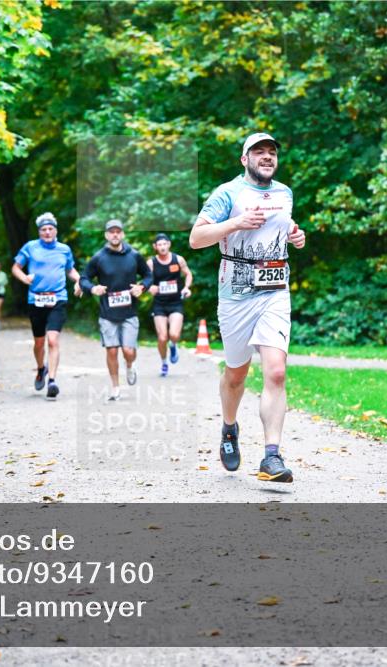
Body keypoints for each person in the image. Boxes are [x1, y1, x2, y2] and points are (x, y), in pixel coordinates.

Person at [188, 132, 307, 483]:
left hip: (275, 291)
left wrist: (295, 235)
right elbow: (196, 238)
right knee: (236, 373)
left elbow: (282, 227)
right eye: (259, 152)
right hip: (236, 296)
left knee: (276, 372)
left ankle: (272, 457)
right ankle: (229, 428)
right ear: (245, 160)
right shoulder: (228, 193)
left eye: (272, 152)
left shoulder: (284, 193)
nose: (267, 156)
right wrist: (236, 223)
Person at [80, 219, 153, 401]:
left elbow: (148, 275)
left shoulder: (134, 255)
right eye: (111, 232)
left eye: (118, 231)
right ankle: (115, 387)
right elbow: (83, 278)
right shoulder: (98, 258)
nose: (115, 234)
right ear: (106, 235)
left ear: (122, 234)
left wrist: (142, 287)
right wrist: (93, 288)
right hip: (107, 313)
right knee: (112, 351)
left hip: (129, 312)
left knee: (128, 351)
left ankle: (130, 364)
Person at [12, 212, 82, 400]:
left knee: (52, 340)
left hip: (58, 299)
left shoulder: (64, 249)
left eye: (51, 229)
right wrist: (24, 278)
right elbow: (16, 268)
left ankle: (52, 381)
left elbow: (70, 269)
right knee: (39, 342)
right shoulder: (31, 247)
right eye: (44, 229)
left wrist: (79, 281)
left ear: (56, 230)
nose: (47, 232)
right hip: (36, 300)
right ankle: (40, 368)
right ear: (39, 232)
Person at [147, 233, 193, 377]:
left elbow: (188, 274)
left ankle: (173, 346)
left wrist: (186, 288)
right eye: (159, 244)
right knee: (162, 337)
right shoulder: (151, 263)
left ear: (169, 244)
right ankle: (164, 363)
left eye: (164, 244)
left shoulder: (178, 259)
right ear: (155, 247)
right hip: (159, 304)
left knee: (173, 334)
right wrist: (149, 287)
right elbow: (146, 280)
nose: (162, 247)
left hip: (175, 303)